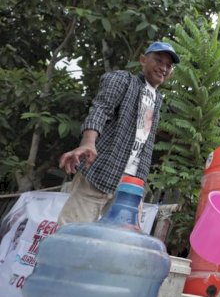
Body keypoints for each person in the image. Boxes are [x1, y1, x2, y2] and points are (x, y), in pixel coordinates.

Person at [57, 41, 180, 225]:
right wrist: (88, 143)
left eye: (168, 65)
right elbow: (101, 109)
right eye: (158, 60)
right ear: (143, 60)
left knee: (123, 242)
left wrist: (140, 180)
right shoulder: (124, 80)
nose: (163, 67)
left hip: (131, 184)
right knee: (72, 232)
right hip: (101, 171)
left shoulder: (157, 99)